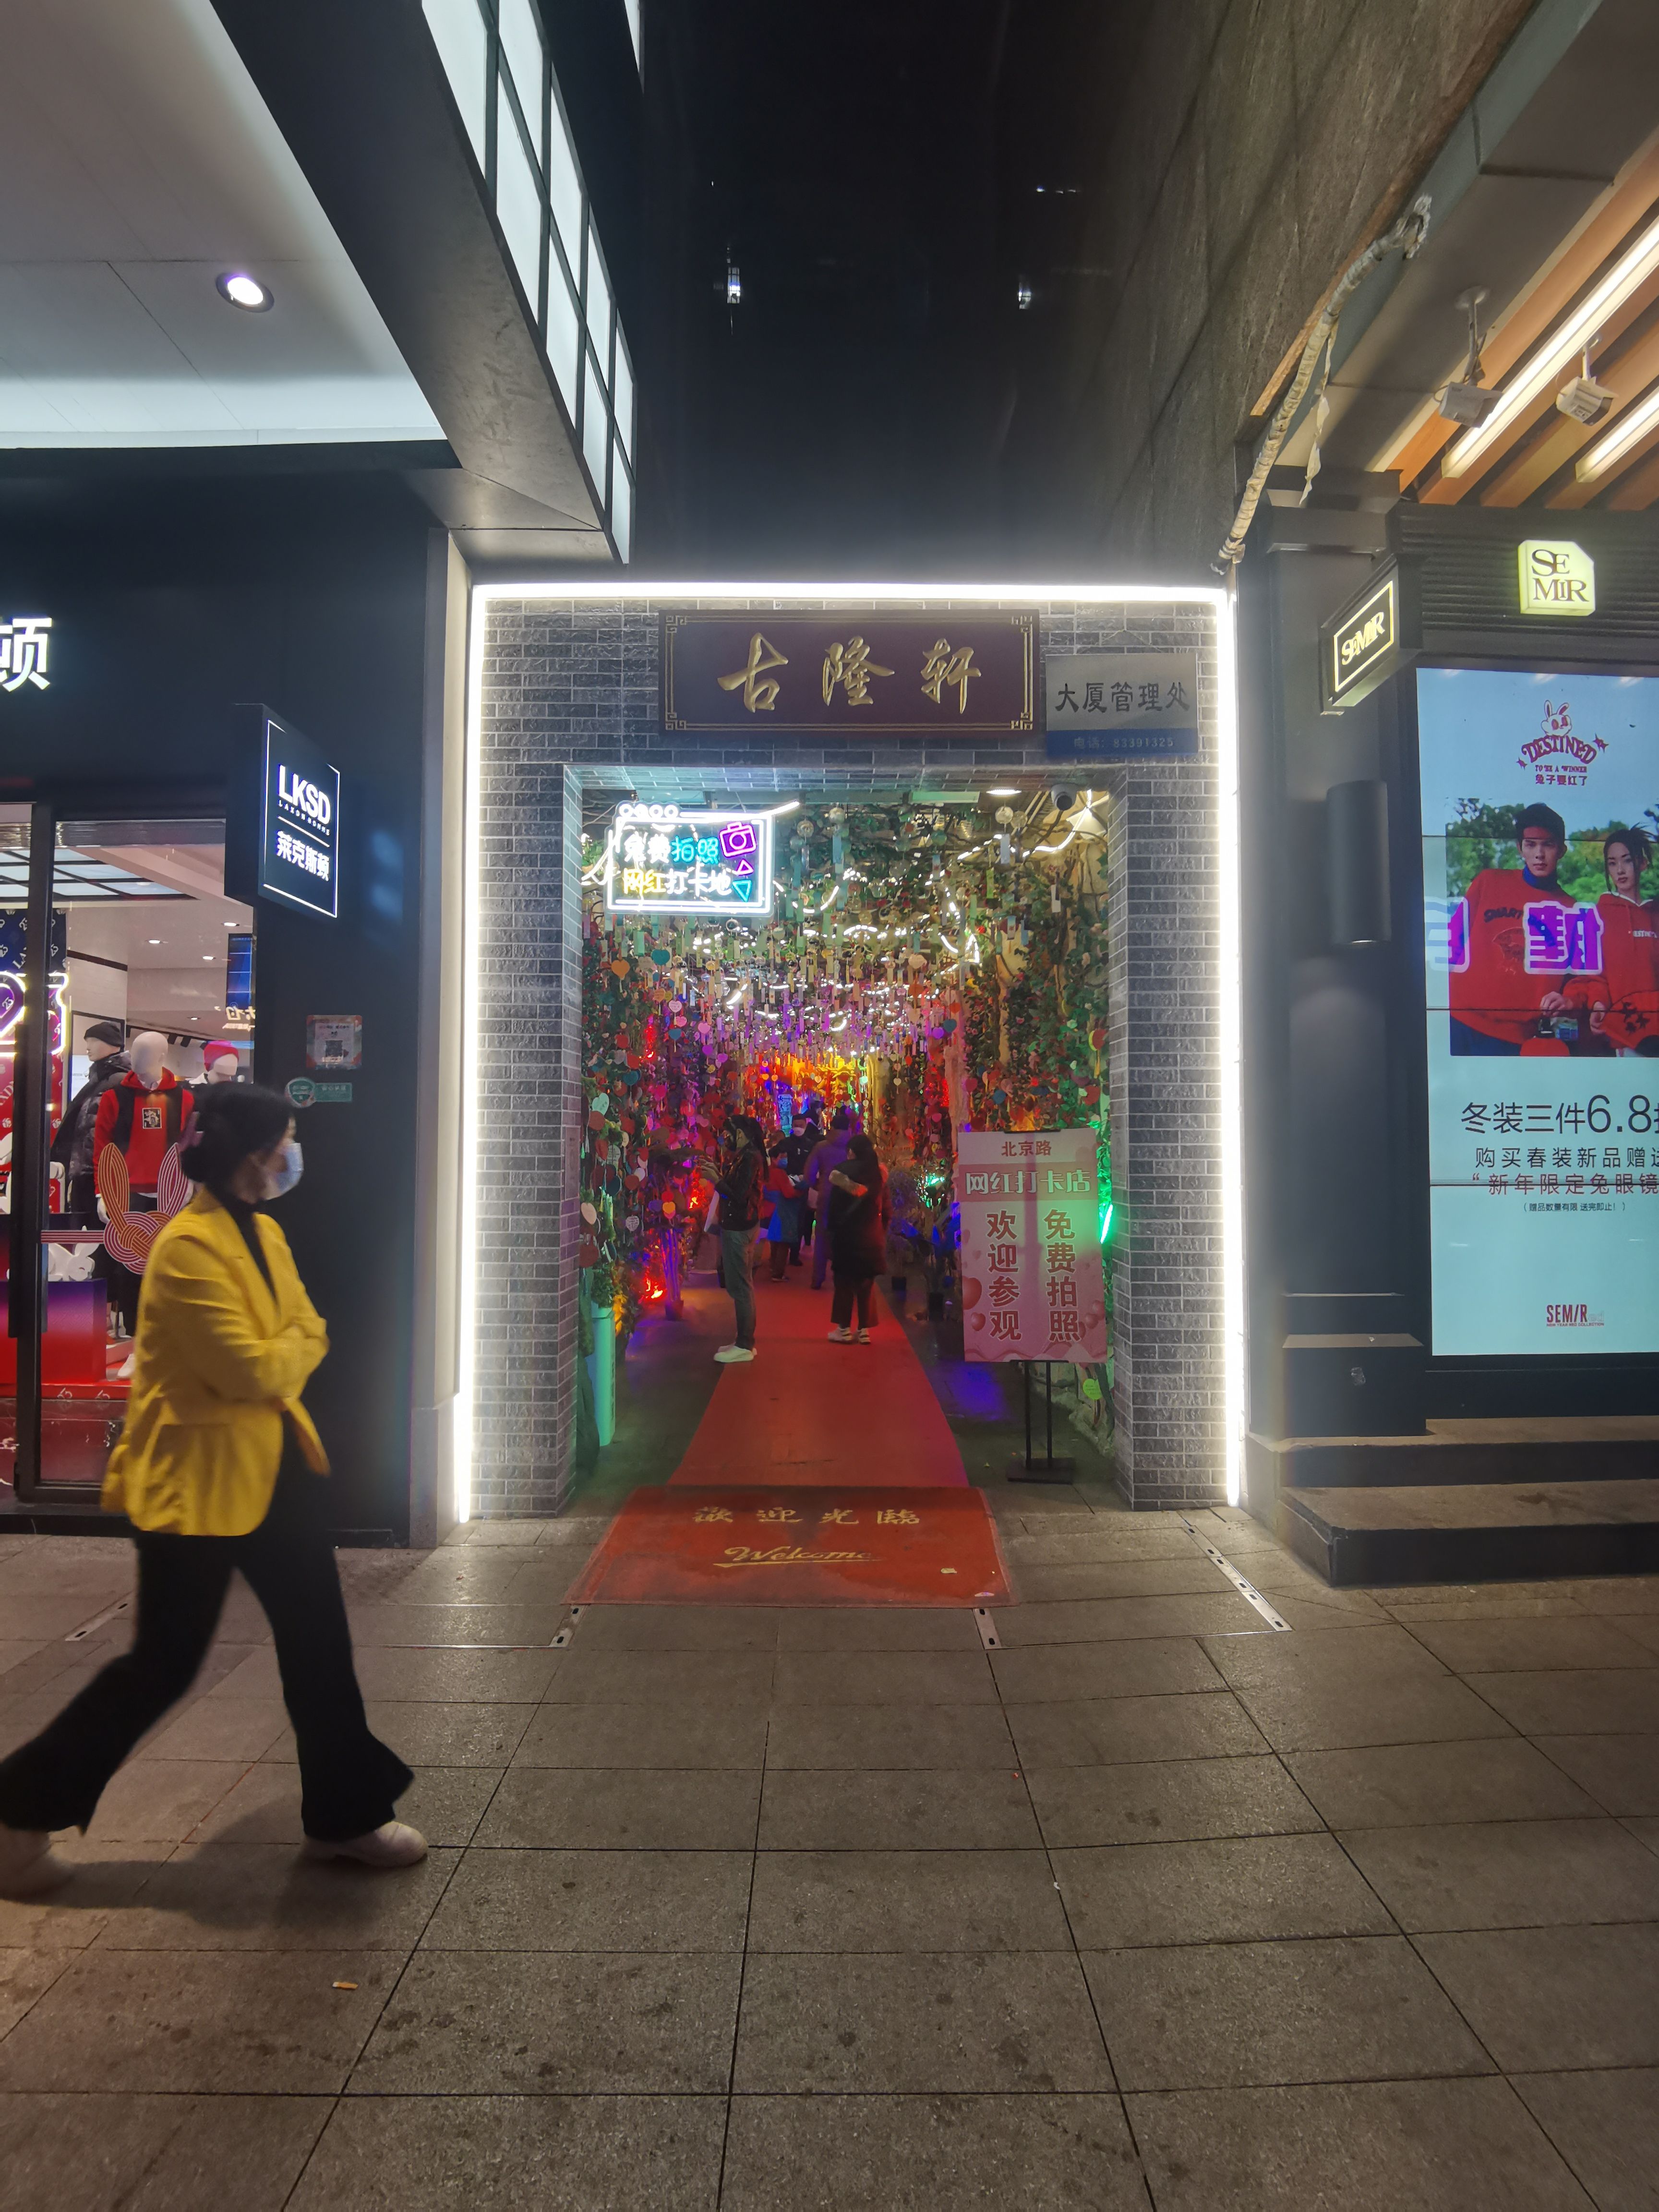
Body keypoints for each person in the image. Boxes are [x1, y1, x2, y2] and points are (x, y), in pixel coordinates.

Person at [0, 1084, 424, 1900]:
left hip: (275, 1474)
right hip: (195, 1488)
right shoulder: (187, 1249)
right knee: (161, 1665)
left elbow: (306, 1327)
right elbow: (253, 1366)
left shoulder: (263, 1232)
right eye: (284, 1141)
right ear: (252, 1156)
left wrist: (291, 1346)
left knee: (319, 1644)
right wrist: (293, 1348)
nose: (293, 1154)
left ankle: (346, 1813)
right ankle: (18, 1808)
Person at [1449, 803, 1591, 1054]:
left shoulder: (1571, 909)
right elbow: (1453, 942)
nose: (1539, 854)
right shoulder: (1488, 881)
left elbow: (1582, 978)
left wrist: (1570, 999)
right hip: (1455, 1018)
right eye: (1531, 844)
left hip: (1512, 1037)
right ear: (1520, 848)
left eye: (1548, 845)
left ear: (1562, 850)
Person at [699, 1113, 764, 1363]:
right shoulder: (745, 1156)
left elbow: (738, 1196)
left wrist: (716, 1181)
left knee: (741, 1287)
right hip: (740, 1225)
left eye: (729, 1133)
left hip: (739, 1228)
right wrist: (718, 1174)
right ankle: (743, 1340)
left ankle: (745, 1345)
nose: (726, 1138)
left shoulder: (750, 1158)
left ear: (741, 1134)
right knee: (742, 1285)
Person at [50, 1020, 128, 1225]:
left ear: (112, 1044)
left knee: (97, 1231)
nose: (88, 1047)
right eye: (87, 1041)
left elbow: (116, 1132)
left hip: (100, 1174)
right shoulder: (98, 1081)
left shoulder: (119, 1082)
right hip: (86, 1172)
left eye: (94, 1040)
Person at [1591, 828, 1659, 1054]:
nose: (1620, 870)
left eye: (1627, 860)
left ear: (1642, 863)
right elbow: (1594, 975)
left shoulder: (1655, 915)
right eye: (1612, 863)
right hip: (1624, 1035)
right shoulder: (1599, 915)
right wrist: (1598, 1003)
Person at [826, 1131, 891, 1344]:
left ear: (851, 1152)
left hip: (846, 1238)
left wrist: (831, 1233)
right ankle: (864, 1331)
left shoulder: (841, 1173)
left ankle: (843, 1329)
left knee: (844, 1283)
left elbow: (833, 1210)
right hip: (871, 1238)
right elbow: (887, 1210)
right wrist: (880, 1231)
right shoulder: (879, 1175)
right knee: (866, 1285)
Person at [803, 1107, 855, 1288]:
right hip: (849, 1197)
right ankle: (844, 1277)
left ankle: (818, 1278)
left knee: (822, 1236)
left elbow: (809, 1173)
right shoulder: (854, 1148)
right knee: (847, 1236)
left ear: (832, 1127)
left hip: (827, 1195)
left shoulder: (822, 1147)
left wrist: (817, 1186)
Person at [763, 1136, 805, 1282]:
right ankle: (778, 1273)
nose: (785, 1160)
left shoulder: (768, 1171)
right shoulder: (779, 1173)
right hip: (781, 1211)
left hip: (769, 1210)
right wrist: (801, 1189)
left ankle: (773, 1266)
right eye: (782, 1157)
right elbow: (788, 1193)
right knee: (783, 1243)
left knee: (775, 1241)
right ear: (774, 1158)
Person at [781, 1113, 821, 1267]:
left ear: (805, 1125)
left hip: (805, 1187)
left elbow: (814, 1164)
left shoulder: (810, 1145)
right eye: (796, 1125)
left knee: (801, 1221)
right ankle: (782, 1254)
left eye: (801, 1126)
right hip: (786, 1186)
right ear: (792, 1126)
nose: (798, 1128)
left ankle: (795, 1254)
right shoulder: (786, 1143)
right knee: (787, 1221)